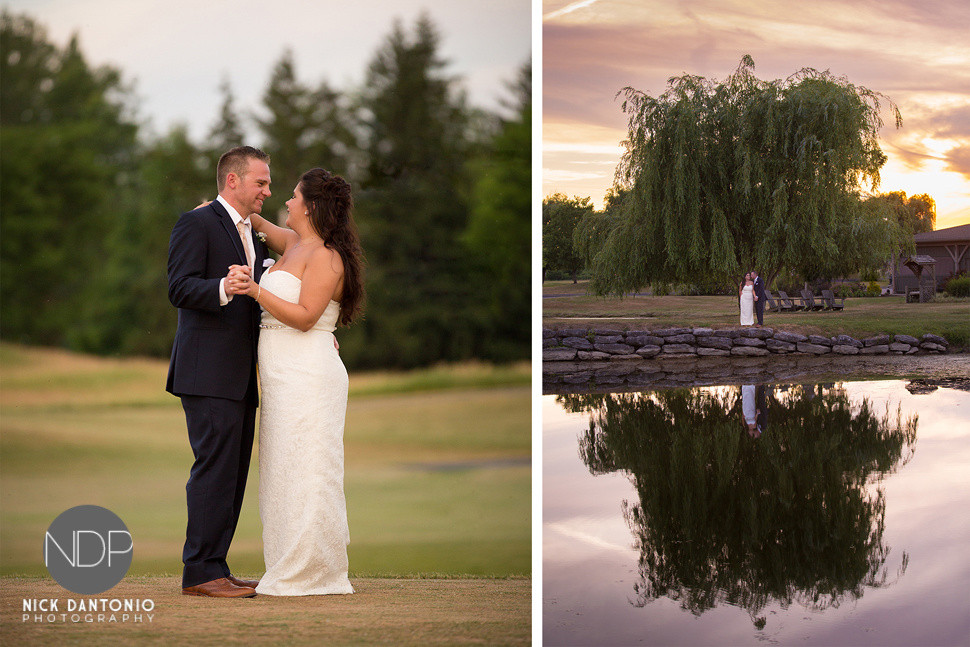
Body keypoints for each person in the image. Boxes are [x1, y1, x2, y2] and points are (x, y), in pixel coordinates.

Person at [228, 168, 365, 596]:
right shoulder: (294, 243)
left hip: (309, 374)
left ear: (309, 207)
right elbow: (253, 223)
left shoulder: (325, 255)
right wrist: (209, 212)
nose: (284, 202)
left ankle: (313, 571)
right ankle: (286, 562)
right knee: (282, 470)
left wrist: (254, 291)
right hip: (281, 376)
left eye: (291, 197)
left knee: (310, 469)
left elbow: (307, 317)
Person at [166, 146, 271, 598]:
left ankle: (217, 567)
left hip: (241, 377)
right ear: (233, 181)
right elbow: (179, 286)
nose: (268, 190)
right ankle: (199, 573)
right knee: (213, 470)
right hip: (206, 373)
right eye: (261, 182)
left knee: (232, 474)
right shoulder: (197, 222)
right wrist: (223, 287)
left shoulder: (254, 234)